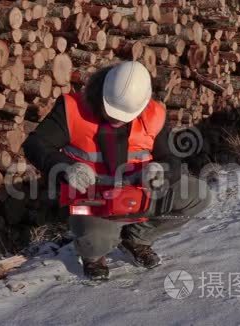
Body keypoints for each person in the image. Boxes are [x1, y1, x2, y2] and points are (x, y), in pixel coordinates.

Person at [23, 61, 211, 280]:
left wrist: (161, 170)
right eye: (111, 111)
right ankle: (94, 256)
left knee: (199, 196)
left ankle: (136, 238)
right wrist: (66, 168)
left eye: (125, 115)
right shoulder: (72, 108)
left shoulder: (154, 114)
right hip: (93, 199)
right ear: (101, 92)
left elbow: (171, 158)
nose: (117, 119)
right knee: (96, 243)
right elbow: (35, 145)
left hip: (139, 193)